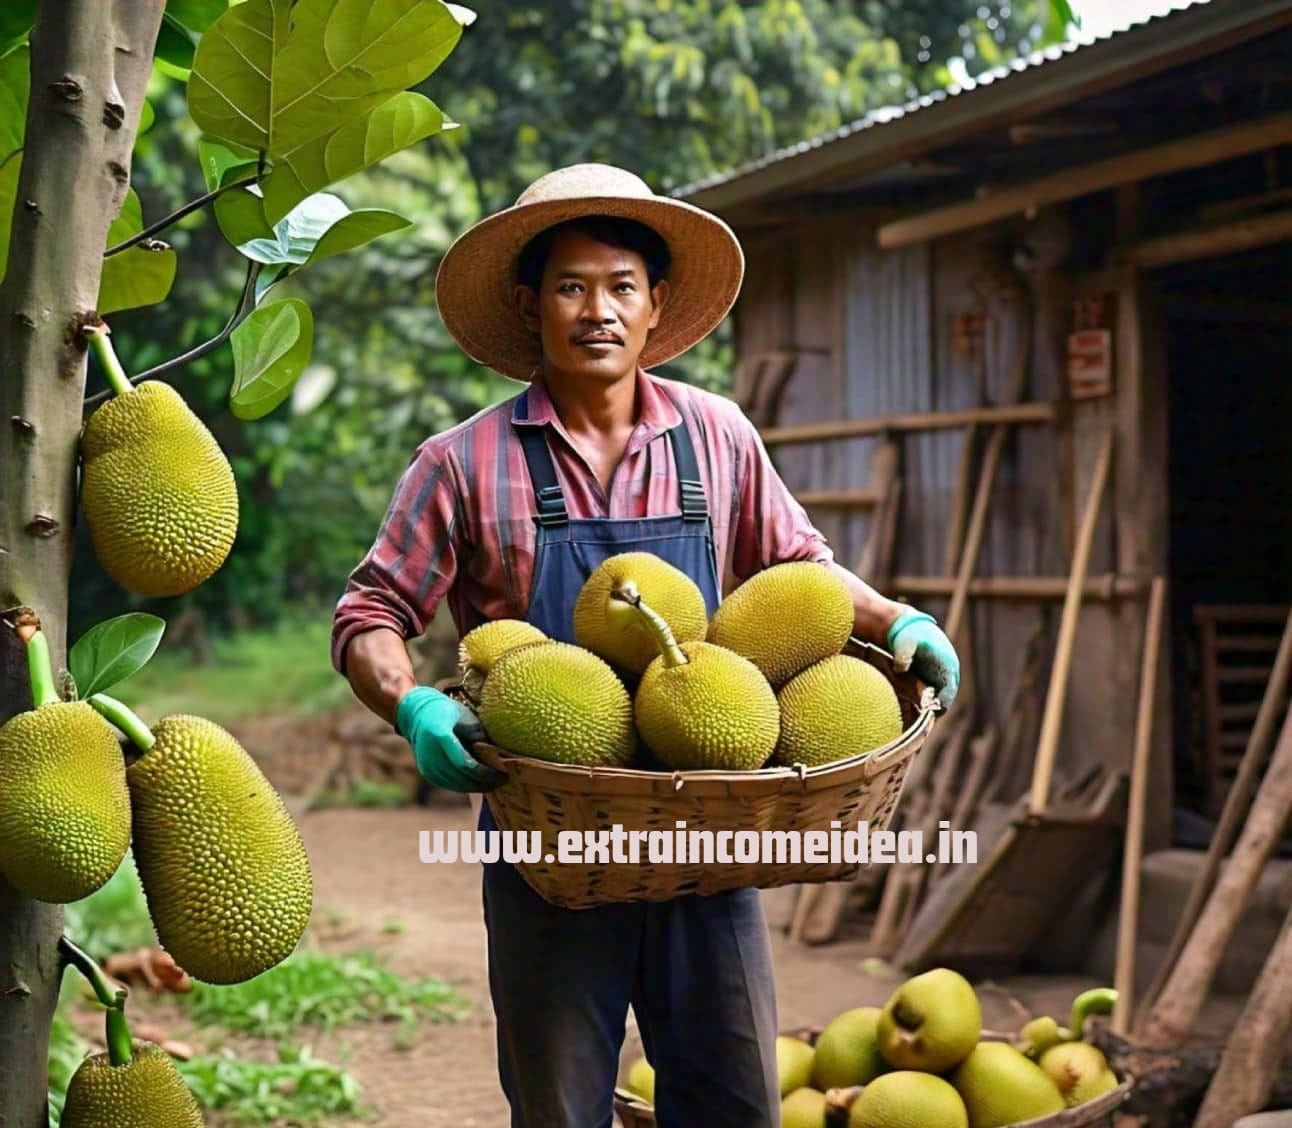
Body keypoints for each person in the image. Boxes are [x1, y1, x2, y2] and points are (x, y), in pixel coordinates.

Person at [330, 163, 960, 1128]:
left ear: (656, 304)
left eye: (621, 286)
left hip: (708, 819)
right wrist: (412, 704)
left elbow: (801, 570)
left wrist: (896, 621)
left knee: (735, 1099)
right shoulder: (461, 462)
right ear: (529, 303)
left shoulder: (718, 436)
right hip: (552, 834)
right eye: (572, 286)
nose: (598, 310)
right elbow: (369, 613)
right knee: (558, 1106)